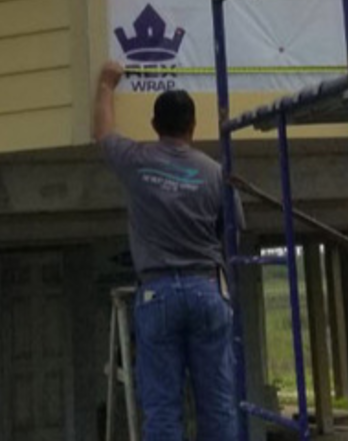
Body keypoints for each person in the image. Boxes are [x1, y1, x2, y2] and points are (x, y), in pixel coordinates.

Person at [94, 60, 239, 441]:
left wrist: (106, 85)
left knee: (161, 410)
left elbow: (103, 135)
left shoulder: (137, 160)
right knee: (218, 404)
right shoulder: (215, 173)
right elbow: (231, 232)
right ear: (193, 126)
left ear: (155, 125)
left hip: (157, 294)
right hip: (207, 289)